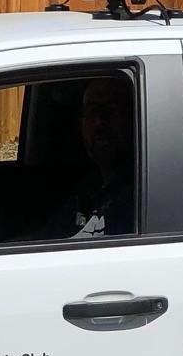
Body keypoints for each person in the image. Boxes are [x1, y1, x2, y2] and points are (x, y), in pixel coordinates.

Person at [39, 76, 137, 238]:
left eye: (113, 108)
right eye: (92, 110)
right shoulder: (87, 190)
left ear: (134, 115)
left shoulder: (144, 195)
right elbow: (45, 239)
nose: (100, 121)